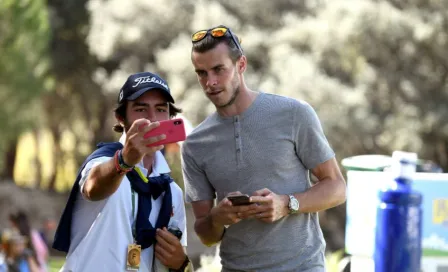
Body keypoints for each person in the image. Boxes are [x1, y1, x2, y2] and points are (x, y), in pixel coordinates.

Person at [181, 25, 347, 271]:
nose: (210, 82)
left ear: (241, 65)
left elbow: (337, 188)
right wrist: (217, 217)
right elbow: (206, 234)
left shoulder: (294, 114)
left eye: (218, 70)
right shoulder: (195, 144)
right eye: (202, 73)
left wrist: (286, 203)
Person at [53, 72, 191, 271]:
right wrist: (124, 161)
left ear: (170, 117)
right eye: (141, 109)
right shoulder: (104, 162)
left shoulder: (172, 193)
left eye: (161, 109)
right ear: (121, 118)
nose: (152, 119)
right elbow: (94, 187)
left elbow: (174, 264)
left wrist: (182, 263)